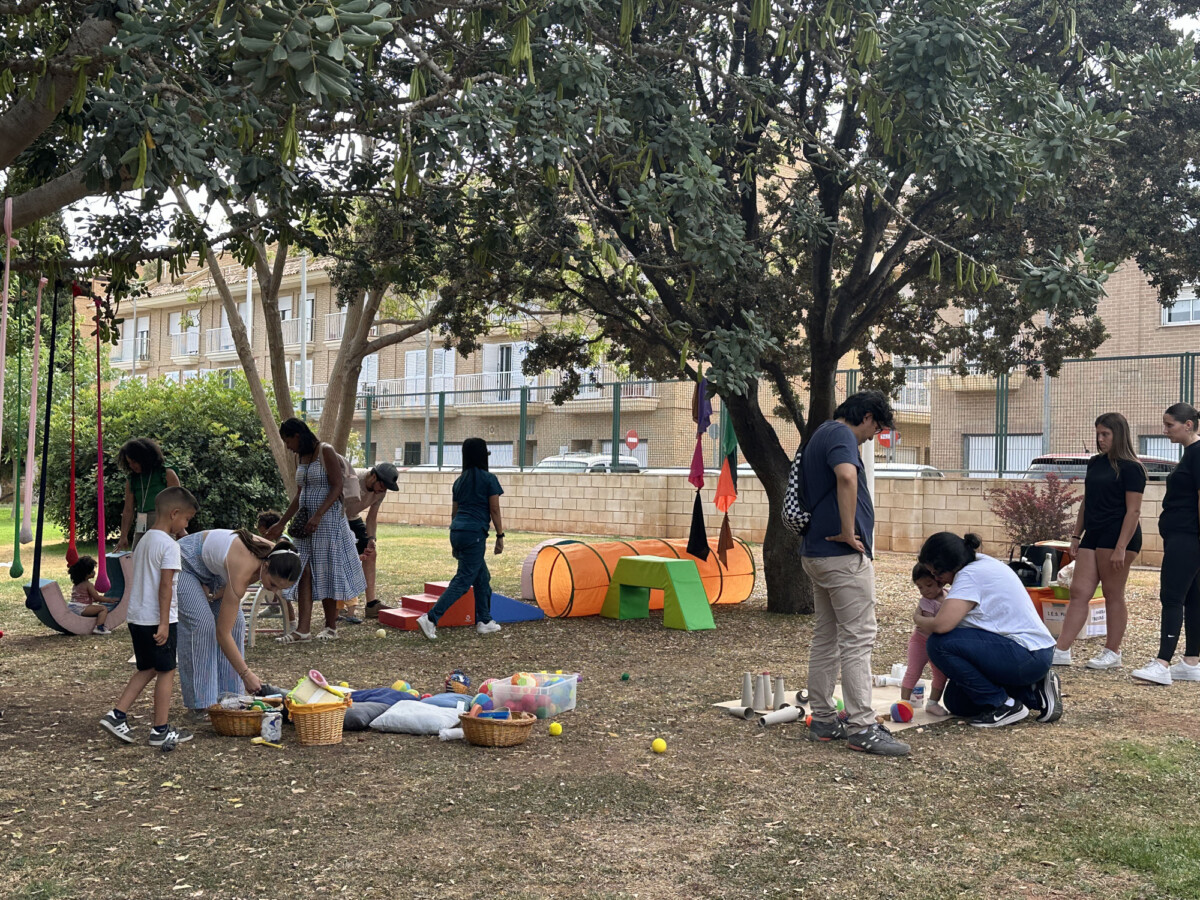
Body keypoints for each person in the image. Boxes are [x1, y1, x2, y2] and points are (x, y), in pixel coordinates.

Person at [799, 390, 909, 756]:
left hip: (816, 553)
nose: (871, 437)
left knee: (827, 637)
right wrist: (849, 532)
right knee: (858, 638)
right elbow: (846, 477)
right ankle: (862, 726)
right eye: (875, 429)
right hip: (841, 557)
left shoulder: (821, 433)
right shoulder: (842, 435)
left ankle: (825, 720)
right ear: (864, 417)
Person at [916, 532, 1063, 727]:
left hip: (1026, 654)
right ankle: (1034, 692)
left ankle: (1004, 705)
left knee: (939, 644)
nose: (938, 581)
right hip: (1028, 653)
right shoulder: (982, 563)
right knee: (957, 701)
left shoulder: (969, 575)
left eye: (937, 574)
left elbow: (942, 625)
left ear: (951, 565)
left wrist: (918, 618)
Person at [99, 486, 199, 750]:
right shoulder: (169, 545)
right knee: (167, 671)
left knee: (148, 669)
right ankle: (160, 730)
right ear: (174, 513)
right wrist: (165, 623)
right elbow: (165, 586)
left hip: (137, 617)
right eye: (186, 519)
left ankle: (116, 715)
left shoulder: (144, 540)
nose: (186, 525)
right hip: (158, 619)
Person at [177, 526, 302, 718]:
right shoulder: (245, 567)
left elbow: (227, 608)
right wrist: (246, 674)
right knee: (201, 626)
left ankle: (229, 697)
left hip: (211, 572)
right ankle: (199, 704)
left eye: (281, 588)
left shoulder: (279, 555)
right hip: (183, 562)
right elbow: (221, 633)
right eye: (273, 584)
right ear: (266, 566)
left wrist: (212, 594)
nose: (274, 591)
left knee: (236, 624)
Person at [1055, 412, 1146, 669]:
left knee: (1112, 593)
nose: (1100, 439)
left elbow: (1134, 511)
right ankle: (1061, 649)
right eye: (1098, 434)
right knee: (1079, 592)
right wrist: (1076, 535)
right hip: (1093, 534)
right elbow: (1087, 500)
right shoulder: (1095, 463)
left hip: (1118, 535)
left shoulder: (1132, 468)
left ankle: (1112, 652)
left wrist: (1120, 547)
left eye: (1105, 434)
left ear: (1119, 435)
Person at [266, 418, 366, 642]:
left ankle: (331, 627)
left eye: (288, 440)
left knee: (327, 570)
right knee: (304, 571)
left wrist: (319, 514)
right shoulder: (299, 458)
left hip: (327, 522)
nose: (288, 446)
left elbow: (337, 485)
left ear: (298, 435)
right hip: (305, 524)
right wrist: (282, 522)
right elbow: (299, 495)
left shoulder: (325, 451)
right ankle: (303, 629)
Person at [1132, 403, 1200, 685]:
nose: (1165, 430)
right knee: (1193, 597)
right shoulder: (1190, 455)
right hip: (1182, 535)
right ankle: (1191, 662)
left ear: (1188, 425)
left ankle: (1162, 663)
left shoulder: (1197, 453)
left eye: (1170, 425)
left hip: (1188, 536)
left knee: (1172, 597)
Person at [416, 437, 505, 640]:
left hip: (457, 531)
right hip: (474, 533)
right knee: (464, 580)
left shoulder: (459, 481)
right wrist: (500, 535)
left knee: (482, 577)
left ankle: (484, 620)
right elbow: (494, 510)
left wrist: (455, 541)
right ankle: (431, 618)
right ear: (484, 456)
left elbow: (454, 513)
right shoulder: (489, 480)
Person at [339, 461, 400, 623]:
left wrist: (371, 539)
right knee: (344, 557)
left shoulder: (380, 491)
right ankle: (337, 605)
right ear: (373, 476)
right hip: (336, 517)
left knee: (371, 553)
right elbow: (338, 507)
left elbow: (372, 517)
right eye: (382, 484)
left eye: (387, 487)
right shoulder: (353, 479)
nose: (383, 489)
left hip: (352, 517)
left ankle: (372, 604)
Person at [115, 438, 181, 551]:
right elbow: (128, 509)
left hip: (163, 520)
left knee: (162, 556)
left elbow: (178, 504)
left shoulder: (166, 473)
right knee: (137, 555)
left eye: (134, 462)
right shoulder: (132, 479)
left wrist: (180, 529)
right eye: (129, 463)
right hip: (141, 520)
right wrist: (123, 536)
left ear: (145, 458)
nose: (131, 466)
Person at [903, 565, 949, 717]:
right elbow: (931, 626)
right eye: (920, 587)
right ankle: (904, 703)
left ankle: (932, 703)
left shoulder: (949, 596)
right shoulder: (926, 602)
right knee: (913, 670)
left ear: (940, 582)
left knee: (941, 674)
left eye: (928, 585)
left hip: (938, 644)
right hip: (920, 642)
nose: (924, 591)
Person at [67, 555, 116, 635]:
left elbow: (88, 597)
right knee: (103, 609)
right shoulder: (88, 584)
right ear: (86, 574)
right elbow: (97, 597)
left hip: (72, 607)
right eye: (92, 571)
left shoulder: (76, 584)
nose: (94, 572)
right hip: (81, 608)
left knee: (96, 606)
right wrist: (109, 600)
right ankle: (99, 627)